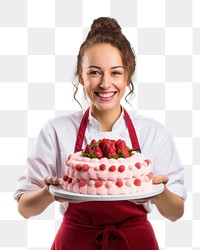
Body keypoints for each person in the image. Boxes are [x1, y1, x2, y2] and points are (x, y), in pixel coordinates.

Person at [14, 17, 186, 250]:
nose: (105, 83)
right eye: (94, 72)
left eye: (116, 72)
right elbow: (25, 208)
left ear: (128, 76)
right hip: (75, 241)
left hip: (135, 242)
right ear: (80, 76)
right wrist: (50, 192)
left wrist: (159, 192)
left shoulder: (154, 132)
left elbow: (176, 213)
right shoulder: (55, 130)